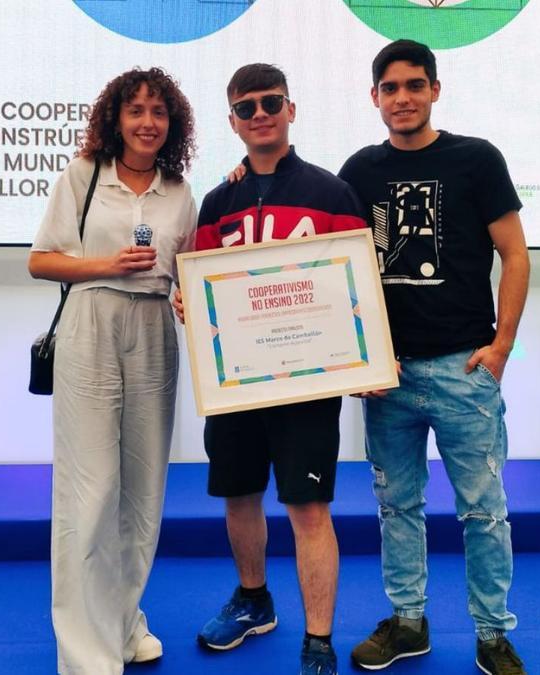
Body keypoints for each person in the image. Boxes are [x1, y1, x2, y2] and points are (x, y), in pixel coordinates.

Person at [338, 40, 530, 675]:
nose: (403, 98)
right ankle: (408, 622)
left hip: (462, 369)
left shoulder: (477, 159)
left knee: (483, 510)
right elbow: (326, 265)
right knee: (396, 507)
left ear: (435, 90)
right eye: (390, 89)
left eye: (415, 86)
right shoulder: (358, 171)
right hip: (387, 375)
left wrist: (502, 346)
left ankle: (492, 633)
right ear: (375, 98)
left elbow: (516, 254)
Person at [173, 63, 366, 675]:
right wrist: (188, 301)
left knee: (309, 508)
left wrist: (363, 352)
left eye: (270, 103)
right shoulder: (218, 200)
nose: (260, 114)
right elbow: (200, 287)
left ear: (290, 109)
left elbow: (358, 291)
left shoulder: (331, 193)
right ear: (232, 120)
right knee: (238, 494)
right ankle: (254, 600)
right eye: (247, 107)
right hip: (237, 384)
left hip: (308, 386)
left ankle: (318, 640)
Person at [28, 67, 197, 675]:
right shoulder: (82, 175)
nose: (148, 122)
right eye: (136, 111)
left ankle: (124, 625)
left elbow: (191, 274)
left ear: (171, 122)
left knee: (143, 493)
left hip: (155, 329)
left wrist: (187, 296)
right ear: (115, 119)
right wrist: (107, 265)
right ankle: (85, 653)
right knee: (90, 490)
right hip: (91, 325)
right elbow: (40, 262)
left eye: (158, 112)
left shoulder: (180, 190)